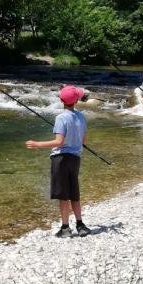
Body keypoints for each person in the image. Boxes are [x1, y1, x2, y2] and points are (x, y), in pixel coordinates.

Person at [26, 85, 90, 239]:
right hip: (75, 159)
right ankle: (80, 225)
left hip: (61, 160)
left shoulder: (61, 118)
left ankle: (65, 228)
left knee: (63, 195)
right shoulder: (81, 116)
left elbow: (59, 142)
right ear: (76, 101)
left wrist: (36, 144)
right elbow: (83, 140)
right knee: (74, 193)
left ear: (61, 100)